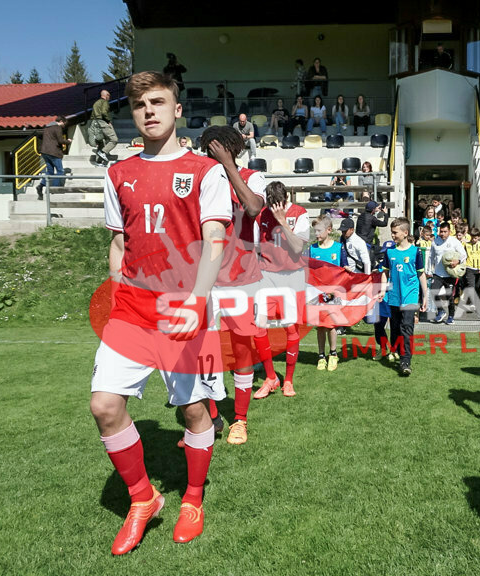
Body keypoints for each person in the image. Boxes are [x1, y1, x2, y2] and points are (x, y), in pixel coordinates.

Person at [89, 71, 231, 555]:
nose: (148, 111)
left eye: (157, 102)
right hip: (131, 311)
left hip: (184, 308)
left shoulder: (206, 172)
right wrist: (114, 293)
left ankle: (192, 498)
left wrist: (196, 300)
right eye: (140, 105)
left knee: (192, 411)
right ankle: (143, 499)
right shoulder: (118, 174)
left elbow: (215, 242)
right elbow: (118, 242)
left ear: (176, 110)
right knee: (105, 406)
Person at [201, 125, 268, 448]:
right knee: (204, 352)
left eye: (215, 149)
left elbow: (254, 208)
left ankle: (239, 420)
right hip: (205, 279)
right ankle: (211, 418)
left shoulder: (252, 177)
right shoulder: (201, 178)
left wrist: (228, 167)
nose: (209, 155)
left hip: (242, 280)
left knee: (241, 350)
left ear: (232, 150)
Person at [253, 181, 308, 400]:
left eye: (279, 203)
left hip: (291, 278)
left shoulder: (299, 214)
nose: (274, 208)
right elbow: (255, 247)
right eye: (271, 204)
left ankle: (288, 380)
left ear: (286, 198)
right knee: (258, 328)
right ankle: (270, 377)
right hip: (267, 276)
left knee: (290, 328)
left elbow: (297, 247)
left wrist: (283, 221)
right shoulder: (261, 215)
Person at [379, 217, 428, 375]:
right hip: (394, 296)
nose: (392, 235)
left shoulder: (415, 252)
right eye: (391, 232)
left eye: (395, 232)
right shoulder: (390, 252)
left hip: (410, 296)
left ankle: (405, 361)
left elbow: (421, 275)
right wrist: (382, 290)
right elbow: (385, 273)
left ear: (405, 233)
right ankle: (397, 350)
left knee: (407, 327)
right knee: (395, 328)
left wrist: (425, 296)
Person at [309, 215, 346, 371]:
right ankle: (321, 356)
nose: (316, 234)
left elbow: (345, 269)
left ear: (329, 230)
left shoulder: (338, 248)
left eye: (319, 230)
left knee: (331, 324)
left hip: (334, 293)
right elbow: (309, 272)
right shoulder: (312, 249)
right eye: (315, 231)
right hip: (318, 293)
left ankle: (333, 353)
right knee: (320, 326)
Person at [428, 221, 467, 324]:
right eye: (441, 231)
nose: (443, 234)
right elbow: (431, 257)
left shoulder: (454, 242)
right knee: (433, 290)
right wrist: (429, 271)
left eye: (445, 232)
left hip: (450, 274)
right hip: (437, 273)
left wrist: (457, 261)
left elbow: (464, 254)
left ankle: (451, 316)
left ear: (449, 231)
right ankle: (440, 311)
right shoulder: (435, 242)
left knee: (450, 296)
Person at [38, 115, 70, 199]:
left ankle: (41, 185)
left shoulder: (47, 128)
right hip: (54, 152)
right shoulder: (57, 128)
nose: (64, 126)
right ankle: (54, 189)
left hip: (44, 152)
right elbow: (60, 141)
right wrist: (68, 141)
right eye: (64, 124)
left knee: (50, 171)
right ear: (61, 121)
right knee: (60, 171)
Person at [89, 90, 118, 167]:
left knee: (101, 142)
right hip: (102, 122)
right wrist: (108, 121)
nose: (109, 98)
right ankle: (103, 152)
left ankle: (99, 162)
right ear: (107, 95)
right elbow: (104, 112)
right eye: (109, 96)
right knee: (114, 139)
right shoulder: (104, 102)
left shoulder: (96, 103)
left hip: (94, 123)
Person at [462, 227, 480, 313]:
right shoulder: (467, 245)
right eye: (472, 238)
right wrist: (464, 266)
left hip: (479, 269)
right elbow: (464, 257)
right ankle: (473, 303)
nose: (473, 239)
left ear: (479, 237)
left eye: (475, 238)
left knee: (477, 286)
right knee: (471, 285)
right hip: (469, 268)